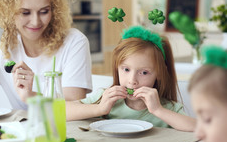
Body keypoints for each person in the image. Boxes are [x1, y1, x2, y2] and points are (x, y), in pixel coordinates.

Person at [66, 26, 196, 132]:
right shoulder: (107, 99)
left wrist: (158, 110)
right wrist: (100, 109)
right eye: (126, 70)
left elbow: (197, 128)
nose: (132, 80)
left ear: (159, 74)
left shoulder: (166, 108)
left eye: (144, 72)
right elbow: (59, 112)